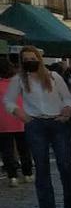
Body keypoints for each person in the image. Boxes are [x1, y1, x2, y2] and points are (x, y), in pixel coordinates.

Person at [5, 46, 71, 208]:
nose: (30, 61)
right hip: (35, 123)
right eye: (26, 59)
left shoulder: (54, 77)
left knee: (64, 164)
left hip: (57, 121)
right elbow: (8, 100)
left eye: (33, 58)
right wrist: (20, 114)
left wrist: (67, 110)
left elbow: (67, 97)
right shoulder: (19, 80)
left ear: (39, 58)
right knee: (42, 166)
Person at [0, 59, 34, 188]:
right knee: (24, 149)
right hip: (21, 118)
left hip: (3, 122)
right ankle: (28, 173)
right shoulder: (20, 83)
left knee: (7, 151)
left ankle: (12, 176)